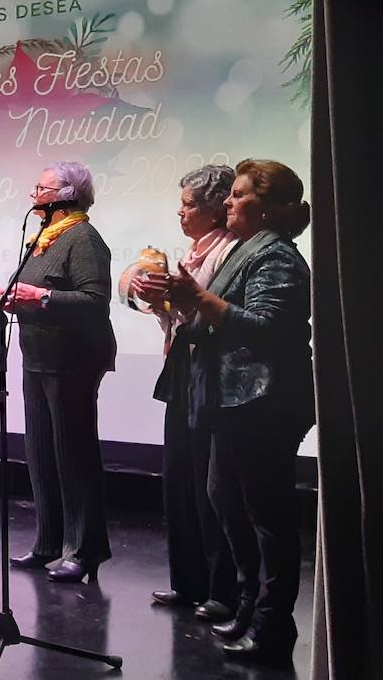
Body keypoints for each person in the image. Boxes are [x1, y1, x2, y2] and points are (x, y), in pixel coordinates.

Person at [144, 159, 313, 663]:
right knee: (226, 501)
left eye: (239, 195)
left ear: (265, 207)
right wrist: (180, 303)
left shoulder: (278, 255)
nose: (229, 203)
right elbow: (212, 323)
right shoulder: (248, 249)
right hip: (233, 401)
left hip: (263, 401)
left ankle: (272, 626)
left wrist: (197, 297)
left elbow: (264, 327)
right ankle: (246, 606)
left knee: (267, 516)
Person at [0, 161, 115, 583]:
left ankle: (85, 549)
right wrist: (13, 296)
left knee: (73, 456)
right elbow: (30, 288)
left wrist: (40, 296)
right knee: (41, 454)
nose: (33, 195)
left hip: (73, 362)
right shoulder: (43, 239)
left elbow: (93, 301)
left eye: (41, 188)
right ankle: (49, 542)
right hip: (38, 358)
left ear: (65, 195)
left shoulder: (83, 239)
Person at [132, 166, 239, 621]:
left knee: (208, 483)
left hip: (209, 374)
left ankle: (220, 589)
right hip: (182, 366)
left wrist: (176, 303)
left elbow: (211, 316)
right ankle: (188, 580)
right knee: (178, 477)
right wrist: (152, 297)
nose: (181, 211)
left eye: (190, 203)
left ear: (217, 207)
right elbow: (179, 316)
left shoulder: (230, 252)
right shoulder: (196, 251)